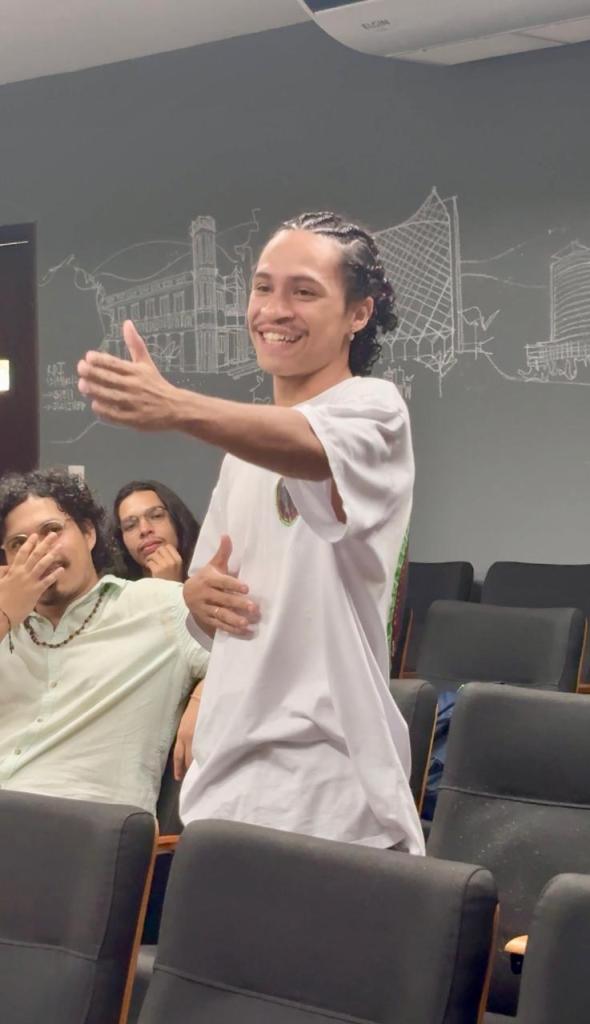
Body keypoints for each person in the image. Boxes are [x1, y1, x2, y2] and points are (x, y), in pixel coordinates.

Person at [77, 211, 424, 853]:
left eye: (304, 290)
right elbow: (209, 597)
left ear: (358, 314)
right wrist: (196, 597)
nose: (274, 309)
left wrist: (175, 406)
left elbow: (312, 449)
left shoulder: (375, 410)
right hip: (227, 788)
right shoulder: (242, 454)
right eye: (263, 287)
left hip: (330, 789)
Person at [0, 469, 208, 810]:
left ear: (88, 533)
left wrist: (204, 696)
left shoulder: (158, 604)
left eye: (51, 530)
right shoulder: (7, 628)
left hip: (81, 824)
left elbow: (250, 659)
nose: (37, 551)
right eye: (18, 543)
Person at [113, 479, 200, 582]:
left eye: (156, 516)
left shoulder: (209, 577)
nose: (144, 529)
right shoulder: (119, 590)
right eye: (130, 526)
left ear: (177, 520)